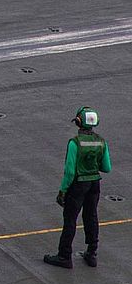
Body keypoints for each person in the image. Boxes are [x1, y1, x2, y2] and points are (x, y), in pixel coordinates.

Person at [44, 106, 112, 269]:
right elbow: (106, 167)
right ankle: (92, 253)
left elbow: (69, 171)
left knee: (70, 220)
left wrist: (62, 191)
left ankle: (64, 255)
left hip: (78, 185)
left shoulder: (75, 143)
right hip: (94, 183)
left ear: (78, 122)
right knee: (91, 217)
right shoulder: (101, 142)